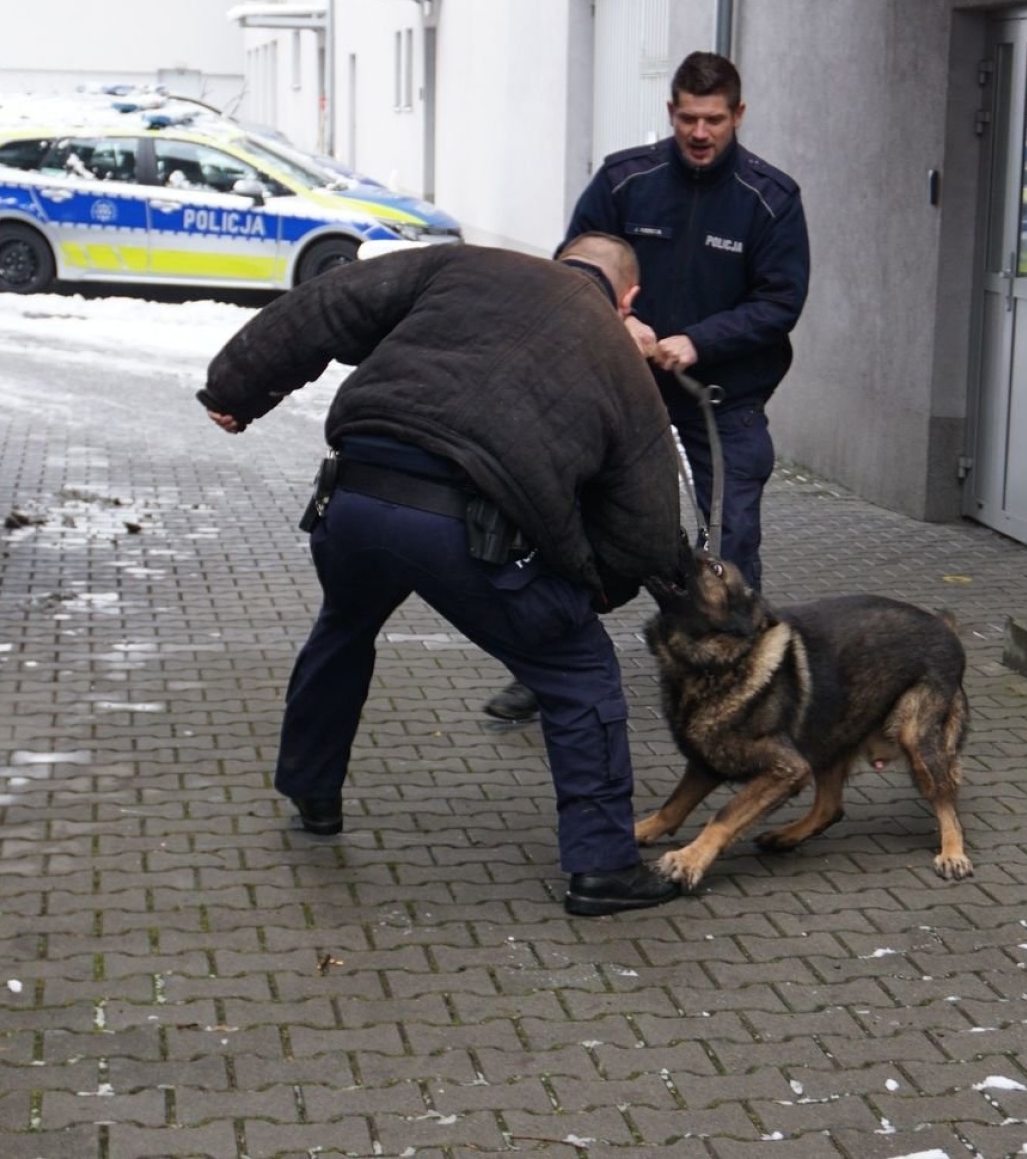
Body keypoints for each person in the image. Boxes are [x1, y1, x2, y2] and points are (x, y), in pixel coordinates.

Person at [197, 234, 685, 916]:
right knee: (579, 672)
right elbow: (648, 523)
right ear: (629, 298)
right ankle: (603, 868)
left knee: (344, 626)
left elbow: (331, 301)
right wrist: (597, 588)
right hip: (467, 531)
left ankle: (311, 792)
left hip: (353, 496)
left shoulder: (466, 263)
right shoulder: (621, 357)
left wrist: (238, 388)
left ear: (555, 260)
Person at [483, 50, 811, 725]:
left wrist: (700, 341)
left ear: (738, 115)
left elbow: (780, 301)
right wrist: (621, 318)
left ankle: (735, 683)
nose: (700, 132)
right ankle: (546, 670)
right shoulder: (624, 179)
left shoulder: (770, 199)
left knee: (730, 539)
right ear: (670, 112)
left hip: (722, 399)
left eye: (714, 119)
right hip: (619, 389)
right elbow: (575, 266)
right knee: (566, 523)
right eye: (688, 118)